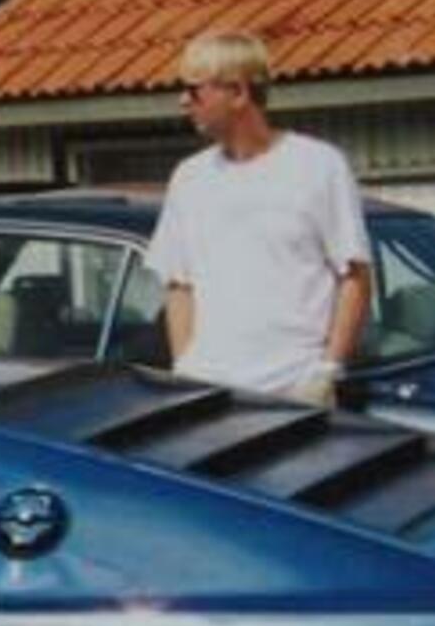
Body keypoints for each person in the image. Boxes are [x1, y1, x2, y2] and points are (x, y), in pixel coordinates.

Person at [144, 30, 373, 407]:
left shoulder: (318, 165)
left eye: (194, 90)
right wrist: (186, 368)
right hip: (211, 394)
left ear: (238, 93)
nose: (183, 101)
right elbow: (178, 282)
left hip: (295, 391)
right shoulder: (190, 177)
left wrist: (327, 371)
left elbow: (354, 278)